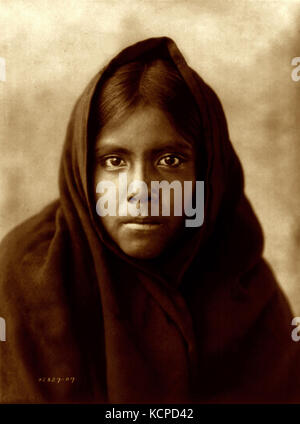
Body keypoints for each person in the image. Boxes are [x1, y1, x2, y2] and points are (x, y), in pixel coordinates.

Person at [0, 36, 299, 404]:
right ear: (82, 170)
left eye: (169, 160)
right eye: (114, 161)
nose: (140, 190)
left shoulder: (247, 287)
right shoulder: (26, 277)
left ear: (206, 172)